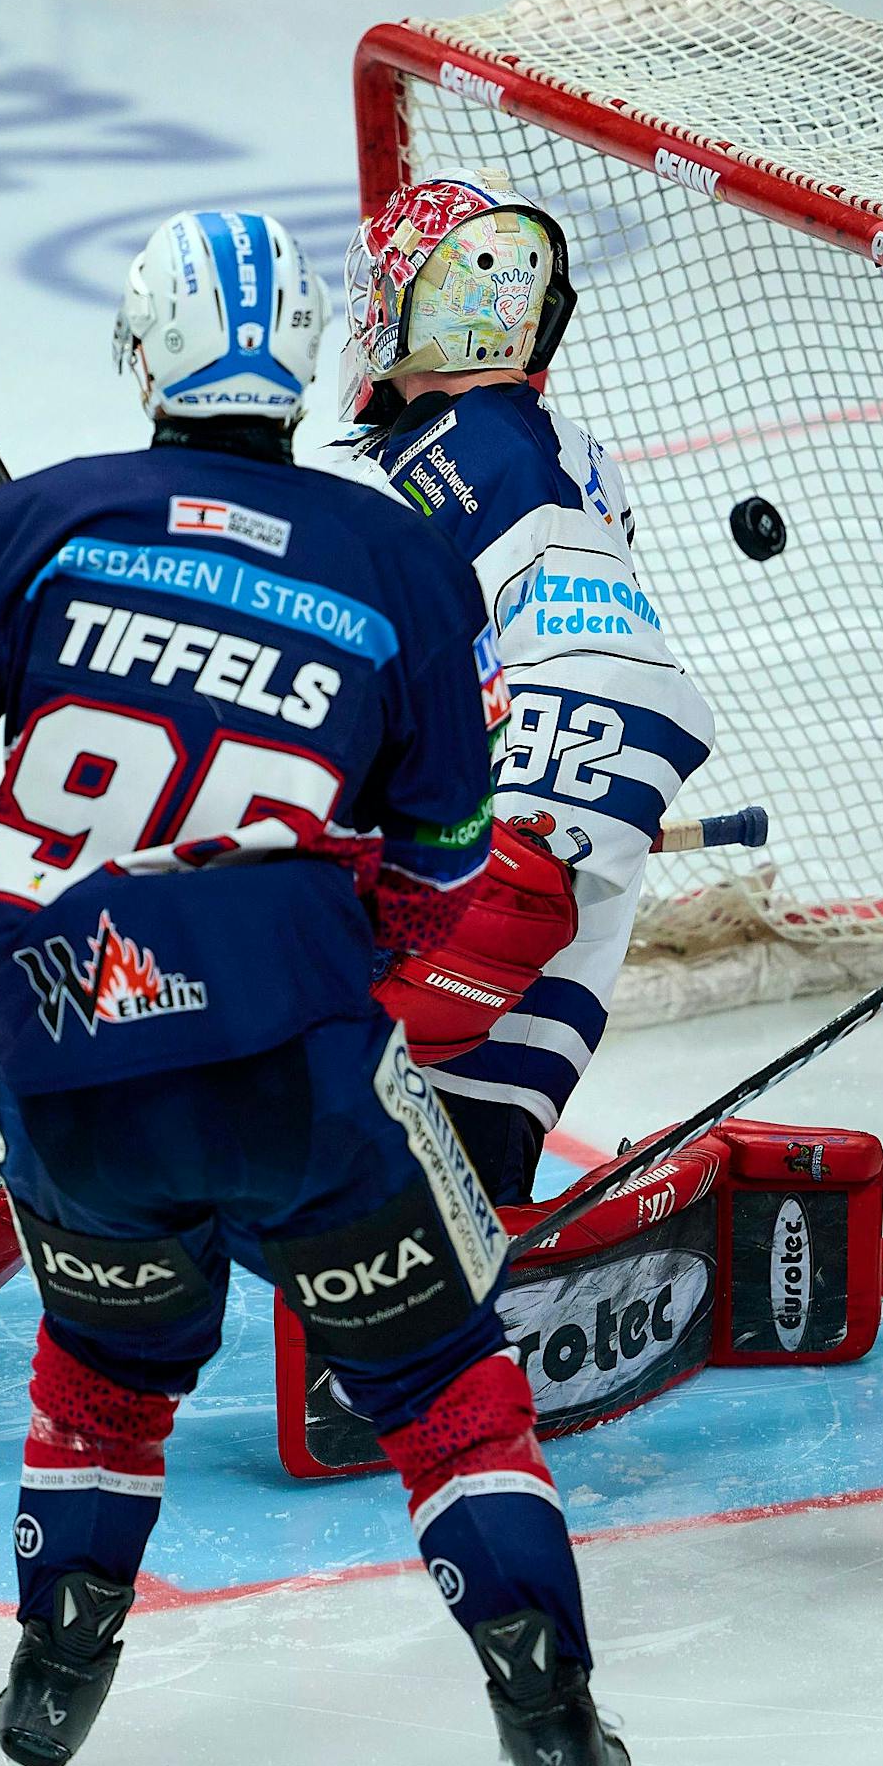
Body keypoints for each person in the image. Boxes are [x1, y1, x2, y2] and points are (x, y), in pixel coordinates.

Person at [0, 208, 628, 1766]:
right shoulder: (396, 554)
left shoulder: (36, 524)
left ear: (141, 354)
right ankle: (546, 1708)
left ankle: (54, 1670)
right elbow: (447, 866)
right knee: (444, 1382)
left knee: (103, 1376)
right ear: (311, 357)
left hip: (66, 1063)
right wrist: (322, 941)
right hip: (297, 1068)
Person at [332, 168, 715, 1206]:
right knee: (411, 1233)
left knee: (400, 1241)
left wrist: (501, 883)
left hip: (477, 930)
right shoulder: (520, 450)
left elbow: (621, 690)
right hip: (495, 919)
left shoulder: (489, 458)